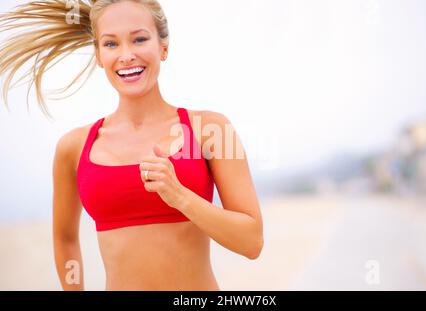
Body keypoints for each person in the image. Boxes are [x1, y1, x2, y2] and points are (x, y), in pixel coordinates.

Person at [0, 0, 263, 290]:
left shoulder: (209, 130)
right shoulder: (74, 148)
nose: (126, 55)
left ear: (163, 47)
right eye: (111, 44)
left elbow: (251, 242)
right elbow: (65, 238)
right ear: (98, 55)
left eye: (139, 39)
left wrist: (180, 197)